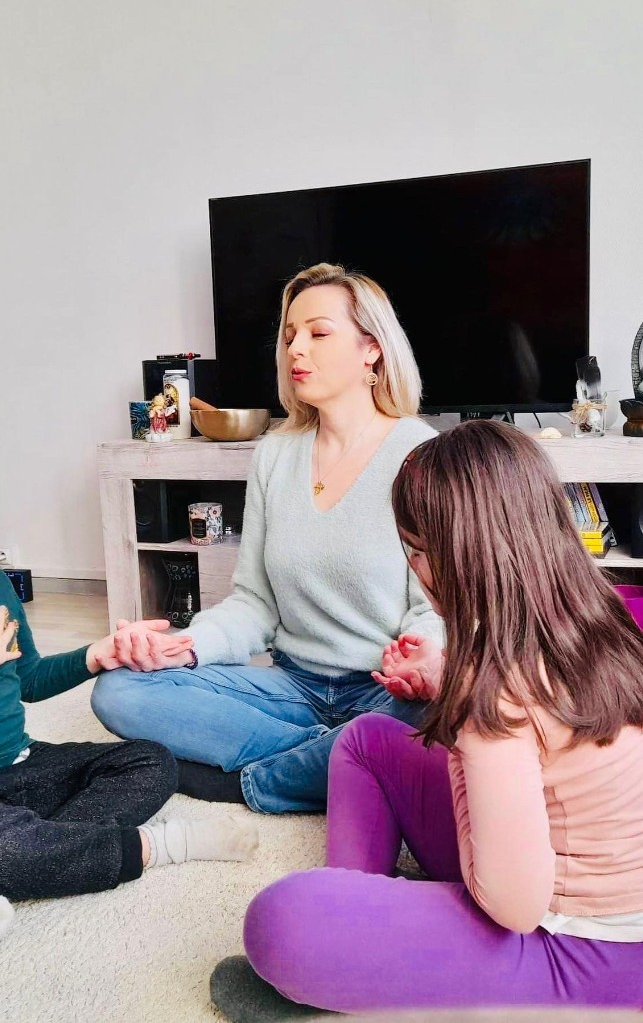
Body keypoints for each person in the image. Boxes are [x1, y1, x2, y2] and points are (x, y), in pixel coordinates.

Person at [211, 419, 643, 1018]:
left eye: (415, 549)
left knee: (279, 921)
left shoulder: (500, 689)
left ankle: (360, 951)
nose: (412, 565)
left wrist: (466, 717)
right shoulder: (596, 615)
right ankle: (363, 917)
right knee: (367, 740)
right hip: (551, 865)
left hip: (586, 947)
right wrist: (449, 685)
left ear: (459, 556)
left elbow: (515, 907)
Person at [0, 427, 257, 952]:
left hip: (17, 766)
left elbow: (27, 680)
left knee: (151, 762)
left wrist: (96, 656)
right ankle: (150, 847)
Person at [91, 263, 444, 813]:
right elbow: (254, 604)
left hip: (386, 693)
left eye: (318, 333)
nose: (295, 349)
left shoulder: (421, 455)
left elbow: (437, 609)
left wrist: (426, 660)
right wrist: (183, 648)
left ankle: (253, 782)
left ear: (371, 349)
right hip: (291, 690)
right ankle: (343, 766)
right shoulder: (276, 453)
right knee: (119, 692)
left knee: (449, 713)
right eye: (289, 336)